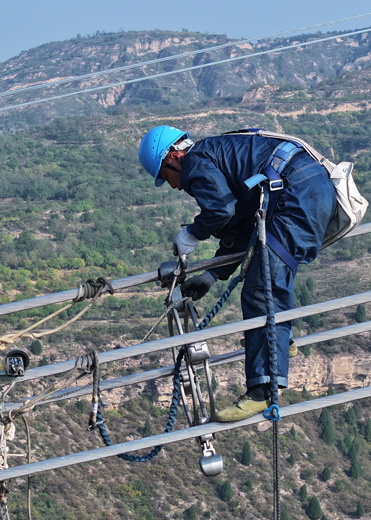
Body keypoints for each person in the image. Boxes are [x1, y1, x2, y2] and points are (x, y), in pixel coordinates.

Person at [138, 125, 338, 422]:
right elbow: (241, 225)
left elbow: (220, 211)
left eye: (165, 177)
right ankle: (279, 341)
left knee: (262, 288)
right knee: (266, 277)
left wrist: (192, 234)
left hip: (296, 195)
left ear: (173, 158)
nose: (173, 186)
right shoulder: (217, 157)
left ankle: (263, 390)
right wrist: (212, 275)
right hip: (306, 189)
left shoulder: (195, 161)